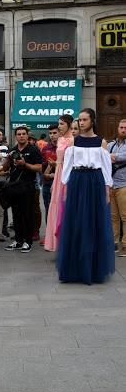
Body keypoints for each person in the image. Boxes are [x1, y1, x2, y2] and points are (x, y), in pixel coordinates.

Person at [57, 109, 115, 284]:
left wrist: (107, 190)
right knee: (77, 222)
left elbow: (106, 168)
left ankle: (94, 268)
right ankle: (75, 268)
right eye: (79, 120)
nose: (81, 123)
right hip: (77, 181)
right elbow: (68, 165)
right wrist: (66, 187)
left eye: (84, 120)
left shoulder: (101, 142)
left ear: (92, 120)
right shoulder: (74, 141)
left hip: (95, 181)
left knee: (94, 222)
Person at [2, 126, 43, 253]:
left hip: (28, 186)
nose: (21, 136)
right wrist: (8, 159)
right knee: (16, 214)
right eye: (19, 134)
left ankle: (28, 241)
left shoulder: (33, 149)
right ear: (15, 136)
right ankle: (18, 240)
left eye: (23, 134)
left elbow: (39, 167)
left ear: (27, 135)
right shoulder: (12, 150)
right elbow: (4, 168)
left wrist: (25, 164)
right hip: (15, 187)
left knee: (28, 214)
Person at [44, 115, 74, 252]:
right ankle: (57, 243)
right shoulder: (61, 139)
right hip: (58, 173)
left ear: (69, 124)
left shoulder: (73, 140)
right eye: (59, 123)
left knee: (65, 206)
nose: (60, 126)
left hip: (67, 174)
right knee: (55, 205)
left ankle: (68, 244)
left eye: (62, 124)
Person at [107, 118, 126, 256]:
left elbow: (123, 157)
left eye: (125, 128)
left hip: (124, 185)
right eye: (121, 127)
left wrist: (112, 156)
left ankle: (125, 245)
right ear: (118, 128)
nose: (123, 130)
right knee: (113, 217)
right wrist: (114, 156)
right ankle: (114, 243)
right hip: (111, 185)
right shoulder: (111, 145)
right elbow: (103, 157)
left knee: (125, 217)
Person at [40, 124, 59, 236]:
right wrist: (49, 167)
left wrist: (54, 166)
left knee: (60, 209)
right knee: (48, 208)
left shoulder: (64, 147)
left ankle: (59, 234)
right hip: (47, 183)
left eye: (54, 133)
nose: (52, 136)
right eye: (50, 133)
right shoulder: (45, 148)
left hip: (60, 182)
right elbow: (42, 169)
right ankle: (49, 234)